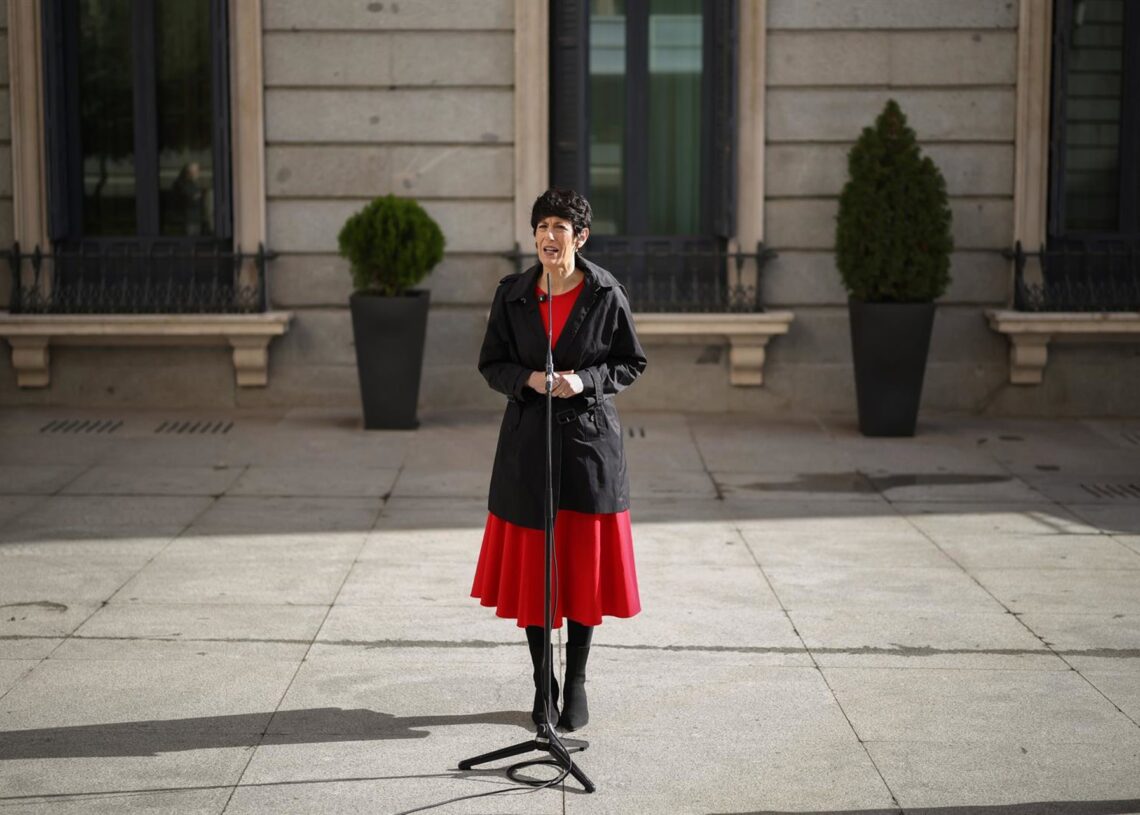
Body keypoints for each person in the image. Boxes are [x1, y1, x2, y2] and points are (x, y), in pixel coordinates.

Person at [471, 187, 647, 731]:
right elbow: (491, 362)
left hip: (589, 446)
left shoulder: (605, 292)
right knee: (535, 572)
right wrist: (524, 378)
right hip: (528, 444)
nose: (550, 237)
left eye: (560, 228)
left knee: (580, 569)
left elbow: (629, 362)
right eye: (542, 227)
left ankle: (576, 683)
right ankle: (542, 679)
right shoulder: (513, 295)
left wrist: (585, 380)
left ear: (581, 236)